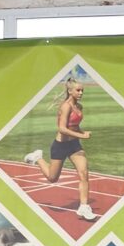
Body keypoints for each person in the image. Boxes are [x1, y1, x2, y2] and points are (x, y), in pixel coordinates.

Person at [24, 77, 97, 221]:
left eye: (82, 90)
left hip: (74, 145)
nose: (81, 93)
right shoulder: (65, 106)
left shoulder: (79, 107)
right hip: (61, 146)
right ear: (70, 91)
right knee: (52, 178)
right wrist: (82, 136)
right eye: (78, 90)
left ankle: (84, 206)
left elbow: (74, 126)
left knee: (84, 173)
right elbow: (62, 129)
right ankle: (38, 158)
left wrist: (82, 132)